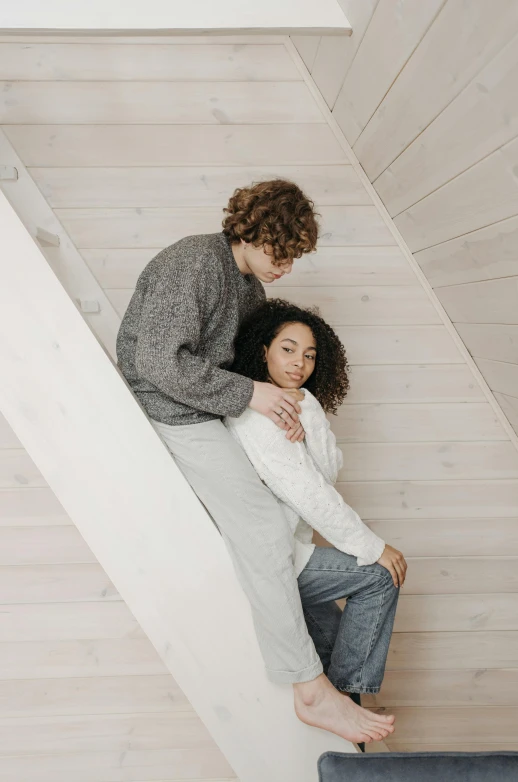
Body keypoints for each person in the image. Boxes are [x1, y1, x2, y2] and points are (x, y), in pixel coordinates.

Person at [116, 178, 397, 745]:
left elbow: (249, 368)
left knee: (283, 518)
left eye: (294, 256)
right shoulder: (193, 262)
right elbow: (156, 362)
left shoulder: (250, 291)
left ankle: (340, 684)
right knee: (267, 529)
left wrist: (286, 410)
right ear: (251, 231)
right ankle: (310, 689)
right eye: (282, 252)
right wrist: (251, 397)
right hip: (171, 407)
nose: (287, 267)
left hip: (208, 405)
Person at [225, 298, 408, 747]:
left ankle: (344, 717)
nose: (299, 363)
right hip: (276, 557)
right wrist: (372, 547)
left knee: (327, 647)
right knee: (380, 577)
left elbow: (326, 472)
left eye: (309, 355)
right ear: (263, 349)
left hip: (292, 548)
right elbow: (311, 496)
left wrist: (309, 416)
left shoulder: (298, 403)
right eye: (288, 349)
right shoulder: (256, 412)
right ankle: (343, 701)